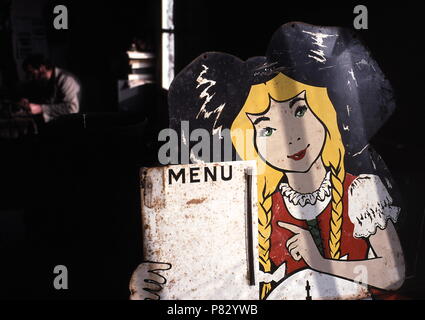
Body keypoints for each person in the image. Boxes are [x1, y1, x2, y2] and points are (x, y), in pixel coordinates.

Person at [130, 22, 406, 300]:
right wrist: (154, 286)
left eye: (300, 111)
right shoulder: (246, 210)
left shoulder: (359, 192)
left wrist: (320, 262)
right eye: (266, 129)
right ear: (244, 140)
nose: (291, 139)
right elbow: (213, 286)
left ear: (327, 108)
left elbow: (392, 274)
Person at [18, 54, 81, 122]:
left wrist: (41, 109)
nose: (30, 78)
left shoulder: (66, 80)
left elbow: (72, 109)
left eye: (31, 73)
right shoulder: (44, 81)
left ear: (42, 68)